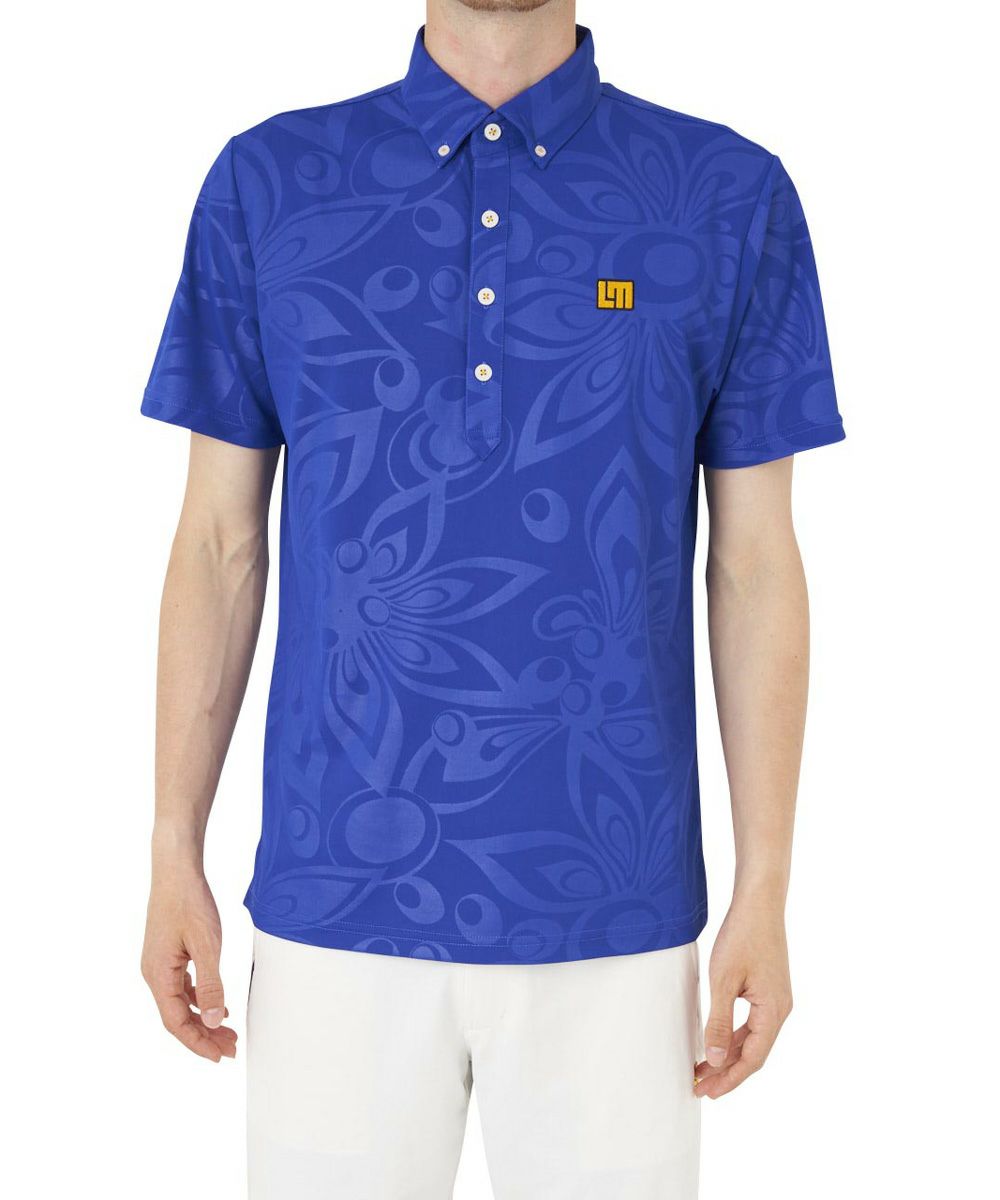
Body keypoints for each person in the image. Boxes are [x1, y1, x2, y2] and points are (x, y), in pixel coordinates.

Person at [139, 1, 844, 1195]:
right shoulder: (271, 183)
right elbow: (218, 543)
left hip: (616, 916)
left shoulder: (725, 195)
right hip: (332, 897)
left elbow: (755, 563)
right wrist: (171, 847)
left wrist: (765, 886)